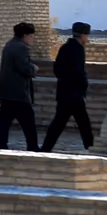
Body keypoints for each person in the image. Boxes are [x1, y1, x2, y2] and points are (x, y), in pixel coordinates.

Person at [41, 21, 94, 152]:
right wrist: (83, 87)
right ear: (83, 36)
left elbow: (57, 69)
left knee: (58, 123)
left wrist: (64, 81)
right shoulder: (78, 49)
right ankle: (92, 148)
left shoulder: (64, 47)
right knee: (84, 125)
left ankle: (46, 148)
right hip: (75, 95)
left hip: (63, 92)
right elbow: (79, 71)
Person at [0, 21, 40, 151]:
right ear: (25, 35)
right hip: (18, 92)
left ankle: (1, 145)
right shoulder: (21, 47)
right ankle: (33, 147)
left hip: (6, 92)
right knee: (28, 123)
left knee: (4, 123)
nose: (32, 39)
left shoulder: (9, 45)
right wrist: (33, 68)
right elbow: (24, 68)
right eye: (31, 36)